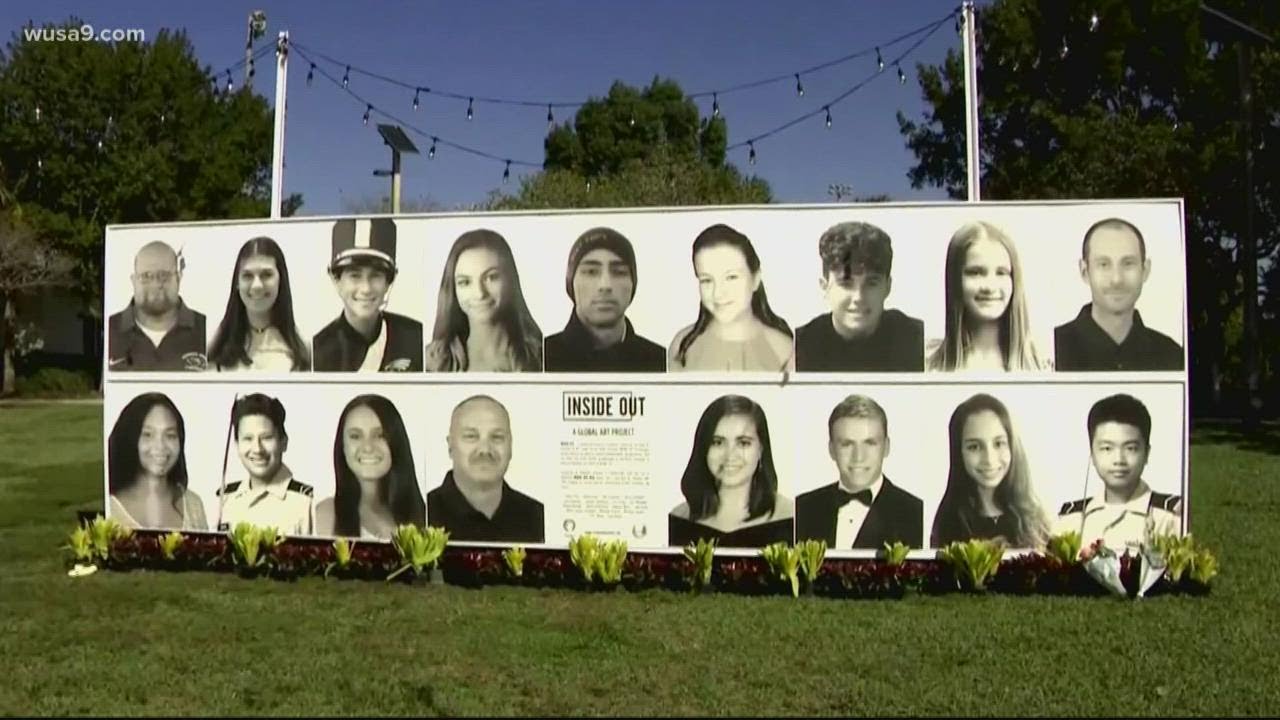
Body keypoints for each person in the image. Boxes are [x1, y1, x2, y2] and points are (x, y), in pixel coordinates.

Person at [1056, 394, 1182, 551]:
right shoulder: (1072, 519)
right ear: (1092, 454)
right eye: (1107, 448)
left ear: (1147, 453)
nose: (1119, 460)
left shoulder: (1169, 517)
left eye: (1130, 448)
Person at [1054, 218, 1184, 371]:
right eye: (1103, 264)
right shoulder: (1053, 349)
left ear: (1145, 270)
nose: (1116, 279)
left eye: (1128, 263)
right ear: (1085, 271)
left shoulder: (1172, 356)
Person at [795, 395, 923, 549]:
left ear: (886, 447)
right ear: (831, 450)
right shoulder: (802, 508)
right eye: (847, 444)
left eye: (870, 443)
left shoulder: (916, 513)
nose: (858, 457)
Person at [795, 222, 924, 372]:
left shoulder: (917, 340)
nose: (859, 297)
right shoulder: (800, 346)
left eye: (871, 283)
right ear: (824, 286)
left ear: (887, 287)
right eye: (846, 284)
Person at [668, 395, 794, 548]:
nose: (729, 455)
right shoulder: (681, 517)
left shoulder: (790, 516)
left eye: (743, 443)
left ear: (761, 449)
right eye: (717, 442)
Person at [930, 393, 1051, 549]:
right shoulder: (948, 523)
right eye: (974, 447)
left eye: (999, 443)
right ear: (958, 453)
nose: (989, 459)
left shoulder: (1035, 518)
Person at [668, 224, 794, 372]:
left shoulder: (783, 350)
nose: (718, 293)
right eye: (707, 280)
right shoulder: (682, 346)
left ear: (755, 279)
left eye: (731, 277)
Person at [926, 221, 1048, 372]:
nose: (989, 287)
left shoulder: (1045, 367)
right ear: (955, 279)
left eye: (1001, 273)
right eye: (975, 272)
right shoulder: (927, 368)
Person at [543, 227, 666, 372]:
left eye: (619, 272)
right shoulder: (541, 358)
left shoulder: (659, 361)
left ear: (633, 283)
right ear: (571, 282)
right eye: (591, 272)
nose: (605, 285)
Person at [426, 395, 544, 542]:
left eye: (497, 437)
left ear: (510, 446)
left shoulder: (539, 517)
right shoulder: (421, 514)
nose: (485, 450)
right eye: (471, 436)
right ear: (450, 446)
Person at [313, 218, 423, 372]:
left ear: (389, 280)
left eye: (376, 275)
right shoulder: (316, 351)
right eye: (355, 275)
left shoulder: (416, 338)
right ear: (335, 279)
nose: (366, 288)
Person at [425, 229, 544, 372]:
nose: (480, 293)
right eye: (465, 282)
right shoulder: (431, 360)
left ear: (510, 280)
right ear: (453, 289)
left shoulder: (541, 358)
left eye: (491, 277)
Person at [316, 395, 426, 539]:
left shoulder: (425, 517)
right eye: (355, 436)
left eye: (380, 435)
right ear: (342, 446)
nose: (368, 447)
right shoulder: (325, 516)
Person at [208, 236, 312, 372]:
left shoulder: (304, 350)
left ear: (281, 280)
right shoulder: (212, 347)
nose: (257, 285)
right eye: (247, 276)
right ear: (237, 283)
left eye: (266, 275)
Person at [107, 392, 207, 530]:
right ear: (130, 438)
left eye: (170, 435)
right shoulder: (110, 506)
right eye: (148, 434)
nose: (160, 446)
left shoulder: (193, 504)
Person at [217, 393, 314, 535]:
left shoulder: (307, 503)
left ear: (283, 442)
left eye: (266, 438)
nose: (257, 449)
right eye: (248, 438)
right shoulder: (224, 500)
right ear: (236, 445)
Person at [107, 241, 208, 371]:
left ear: (178, 279)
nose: (155, 285)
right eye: (146, 276)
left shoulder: (204, 329)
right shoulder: (111, 328)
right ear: (133, 281)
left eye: (163, 276)